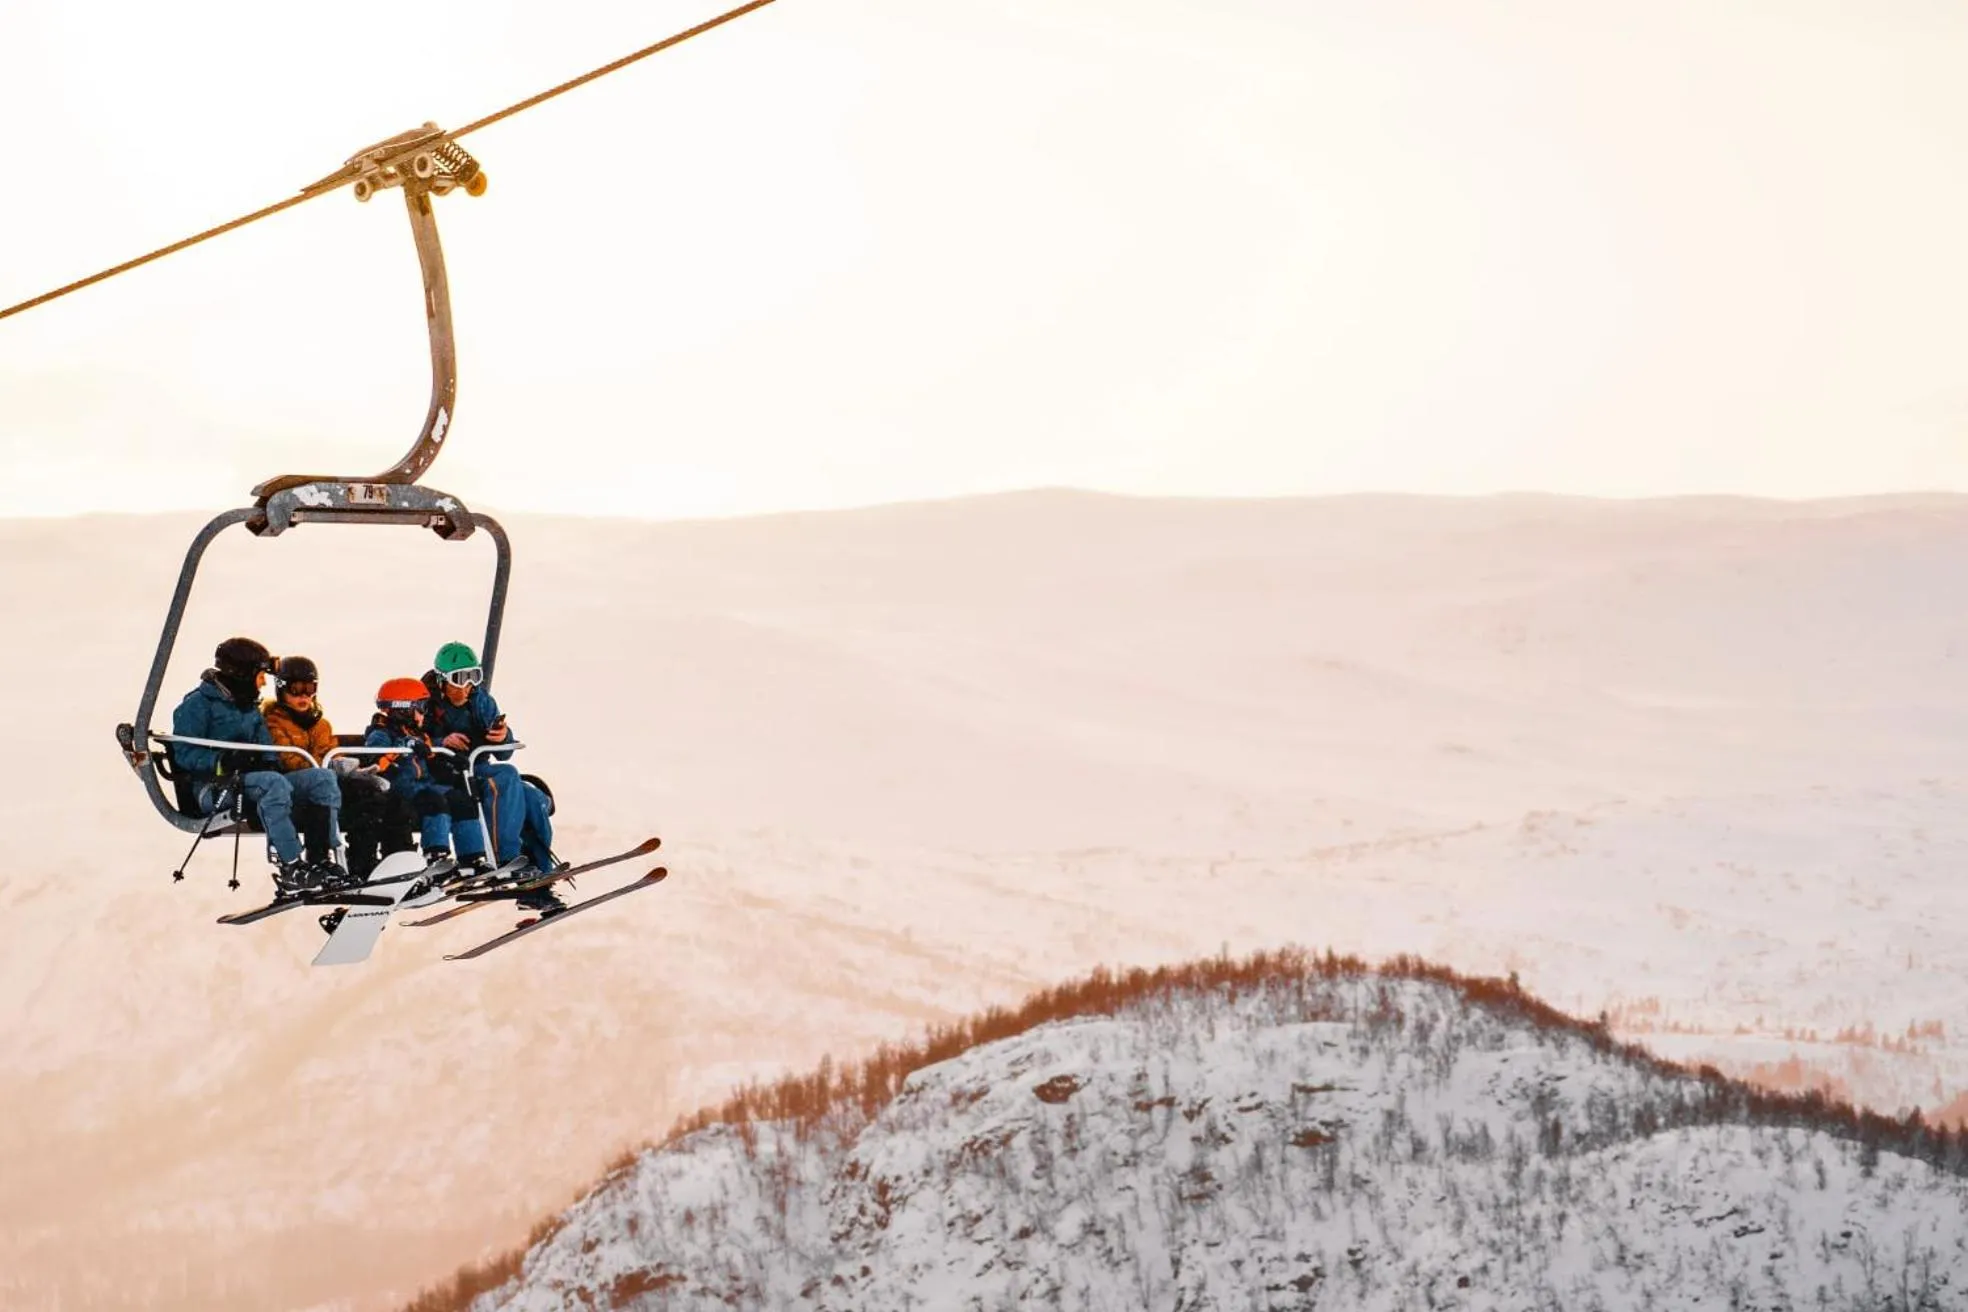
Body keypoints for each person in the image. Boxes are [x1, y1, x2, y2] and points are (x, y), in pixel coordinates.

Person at [169, 637, 344, 893]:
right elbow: (184, 753)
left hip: (252, 782)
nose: (263, 682)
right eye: (260, 675)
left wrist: (269, 762)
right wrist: (223, 762)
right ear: (242, 674)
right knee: (273, 783)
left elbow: (267, 748)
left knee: (322, 779)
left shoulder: (249, 707)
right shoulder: (197, 705)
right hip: (216, 787)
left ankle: (319, 860)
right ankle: (290, 865)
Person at [422, 641, 562, 911]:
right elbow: (414, 738)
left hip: (476, 768)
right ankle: (504, 857)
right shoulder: (426, 703)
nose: (465, 686)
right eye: (458, 679)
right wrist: (442, 741)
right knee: (506, 777)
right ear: (441, 680)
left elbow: (504, 753)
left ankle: (539, 881)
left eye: (472, 677)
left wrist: (502, 737)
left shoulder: (480, 700)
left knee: (532, 798)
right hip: (445, 773)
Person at [364, 677, 491, 874]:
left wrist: (452, 759)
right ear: (404, 709)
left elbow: (431, 750)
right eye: (422, 707)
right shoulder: (380, 733)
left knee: (460, 799)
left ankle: (472, 857)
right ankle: (435, 854)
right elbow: (375, 760)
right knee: (434, 801)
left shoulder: (418, 734)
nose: (425, 713)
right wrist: (403, 746)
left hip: (424, 784)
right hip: (400, 787)